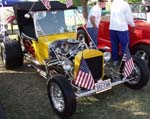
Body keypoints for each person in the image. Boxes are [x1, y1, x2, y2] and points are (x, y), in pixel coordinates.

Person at [109, 0, 135, 65]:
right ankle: (127, 63)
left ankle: (115, 60)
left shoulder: (113, 4)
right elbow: (128, 17)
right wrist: (133, 25)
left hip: (112, 27)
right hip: (122, 28)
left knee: (114, 45)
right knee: (125, 46)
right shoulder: (125, 4)